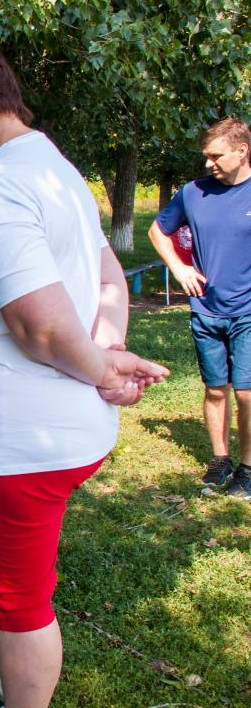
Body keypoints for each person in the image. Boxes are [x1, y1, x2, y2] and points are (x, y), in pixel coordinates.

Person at [0, 37, 169, 708]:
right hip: (32, 432)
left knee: (19, 599)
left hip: (16, 442)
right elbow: (106, 273)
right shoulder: (54, 168)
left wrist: (100, 367)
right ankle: (14, 670)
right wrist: (107, 352)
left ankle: (24, 689)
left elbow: (41, 326)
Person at [148, 117, 251, 498]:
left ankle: (248, 470)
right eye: (206, 156)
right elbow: (158, 231)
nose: (209, 163)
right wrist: (179, 268)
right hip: (206, 311)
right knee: (215, 390)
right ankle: (220, 460)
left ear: (242, 151)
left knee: (246, 393)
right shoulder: (193, 193)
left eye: (216, 156)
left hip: (247, 311)